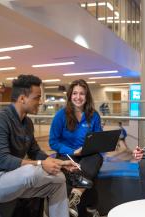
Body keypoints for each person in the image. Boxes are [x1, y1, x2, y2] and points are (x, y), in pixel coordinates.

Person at [0, 75, 80, 217]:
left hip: (12, 179)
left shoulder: (27, 123)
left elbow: (34, 151)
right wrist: (41, 163)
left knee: (58, 179)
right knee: (30, 171)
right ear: (22, 99)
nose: (40, 102)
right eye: (37, 97)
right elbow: (2, 159)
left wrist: (57, 162)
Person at [49, 79, 102, 217]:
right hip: (67, 154)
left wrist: (95, 147)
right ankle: (90, 207)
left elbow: (98, 138)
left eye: (82, 94)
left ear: (87, 96)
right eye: (75, 93)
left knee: (97, 158)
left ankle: (75, 196)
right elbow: (53, 142)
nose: (78, 97)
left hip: (88, 155)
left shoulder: (94, 115)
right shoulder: (60, 115)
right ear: (70, 95)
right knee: (83, 170)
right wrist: (72, 151)